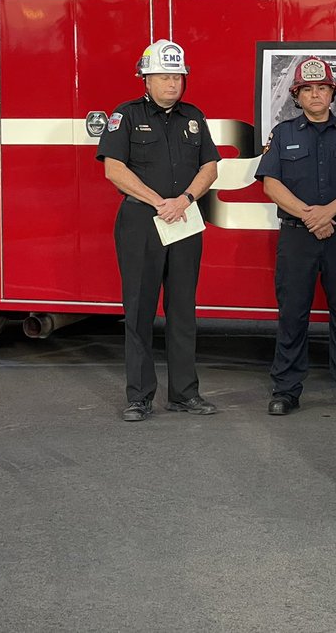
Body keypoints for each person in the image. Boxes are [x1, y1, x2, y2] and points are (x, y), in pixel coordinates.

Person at [97, 39, 220, 422]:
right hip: (141, 221)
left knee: (183, 309)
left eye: (178, 76)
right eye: (164, 76)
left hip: (184, 218)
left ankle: (184, 394)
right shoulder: (126, 116)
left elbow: (211, 167)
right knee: (138, 309)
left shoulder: (194, 117)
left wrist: (183, 199)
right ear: (145, 79)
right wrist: (158, 202)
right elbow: (114, 169)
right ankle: (139, 397)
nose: (172, 84)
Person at [255, 57, 336, 416]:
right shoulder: (282, 134)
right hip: (297, 237)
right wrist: (310, 216)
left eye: (321, 88)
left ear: (332, 92)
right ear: (296, 95)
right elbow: (270, 184)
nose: (315, 95)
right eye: (307, 89)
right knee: (292, 315)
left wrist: (328, 212)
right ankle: (286, 390)